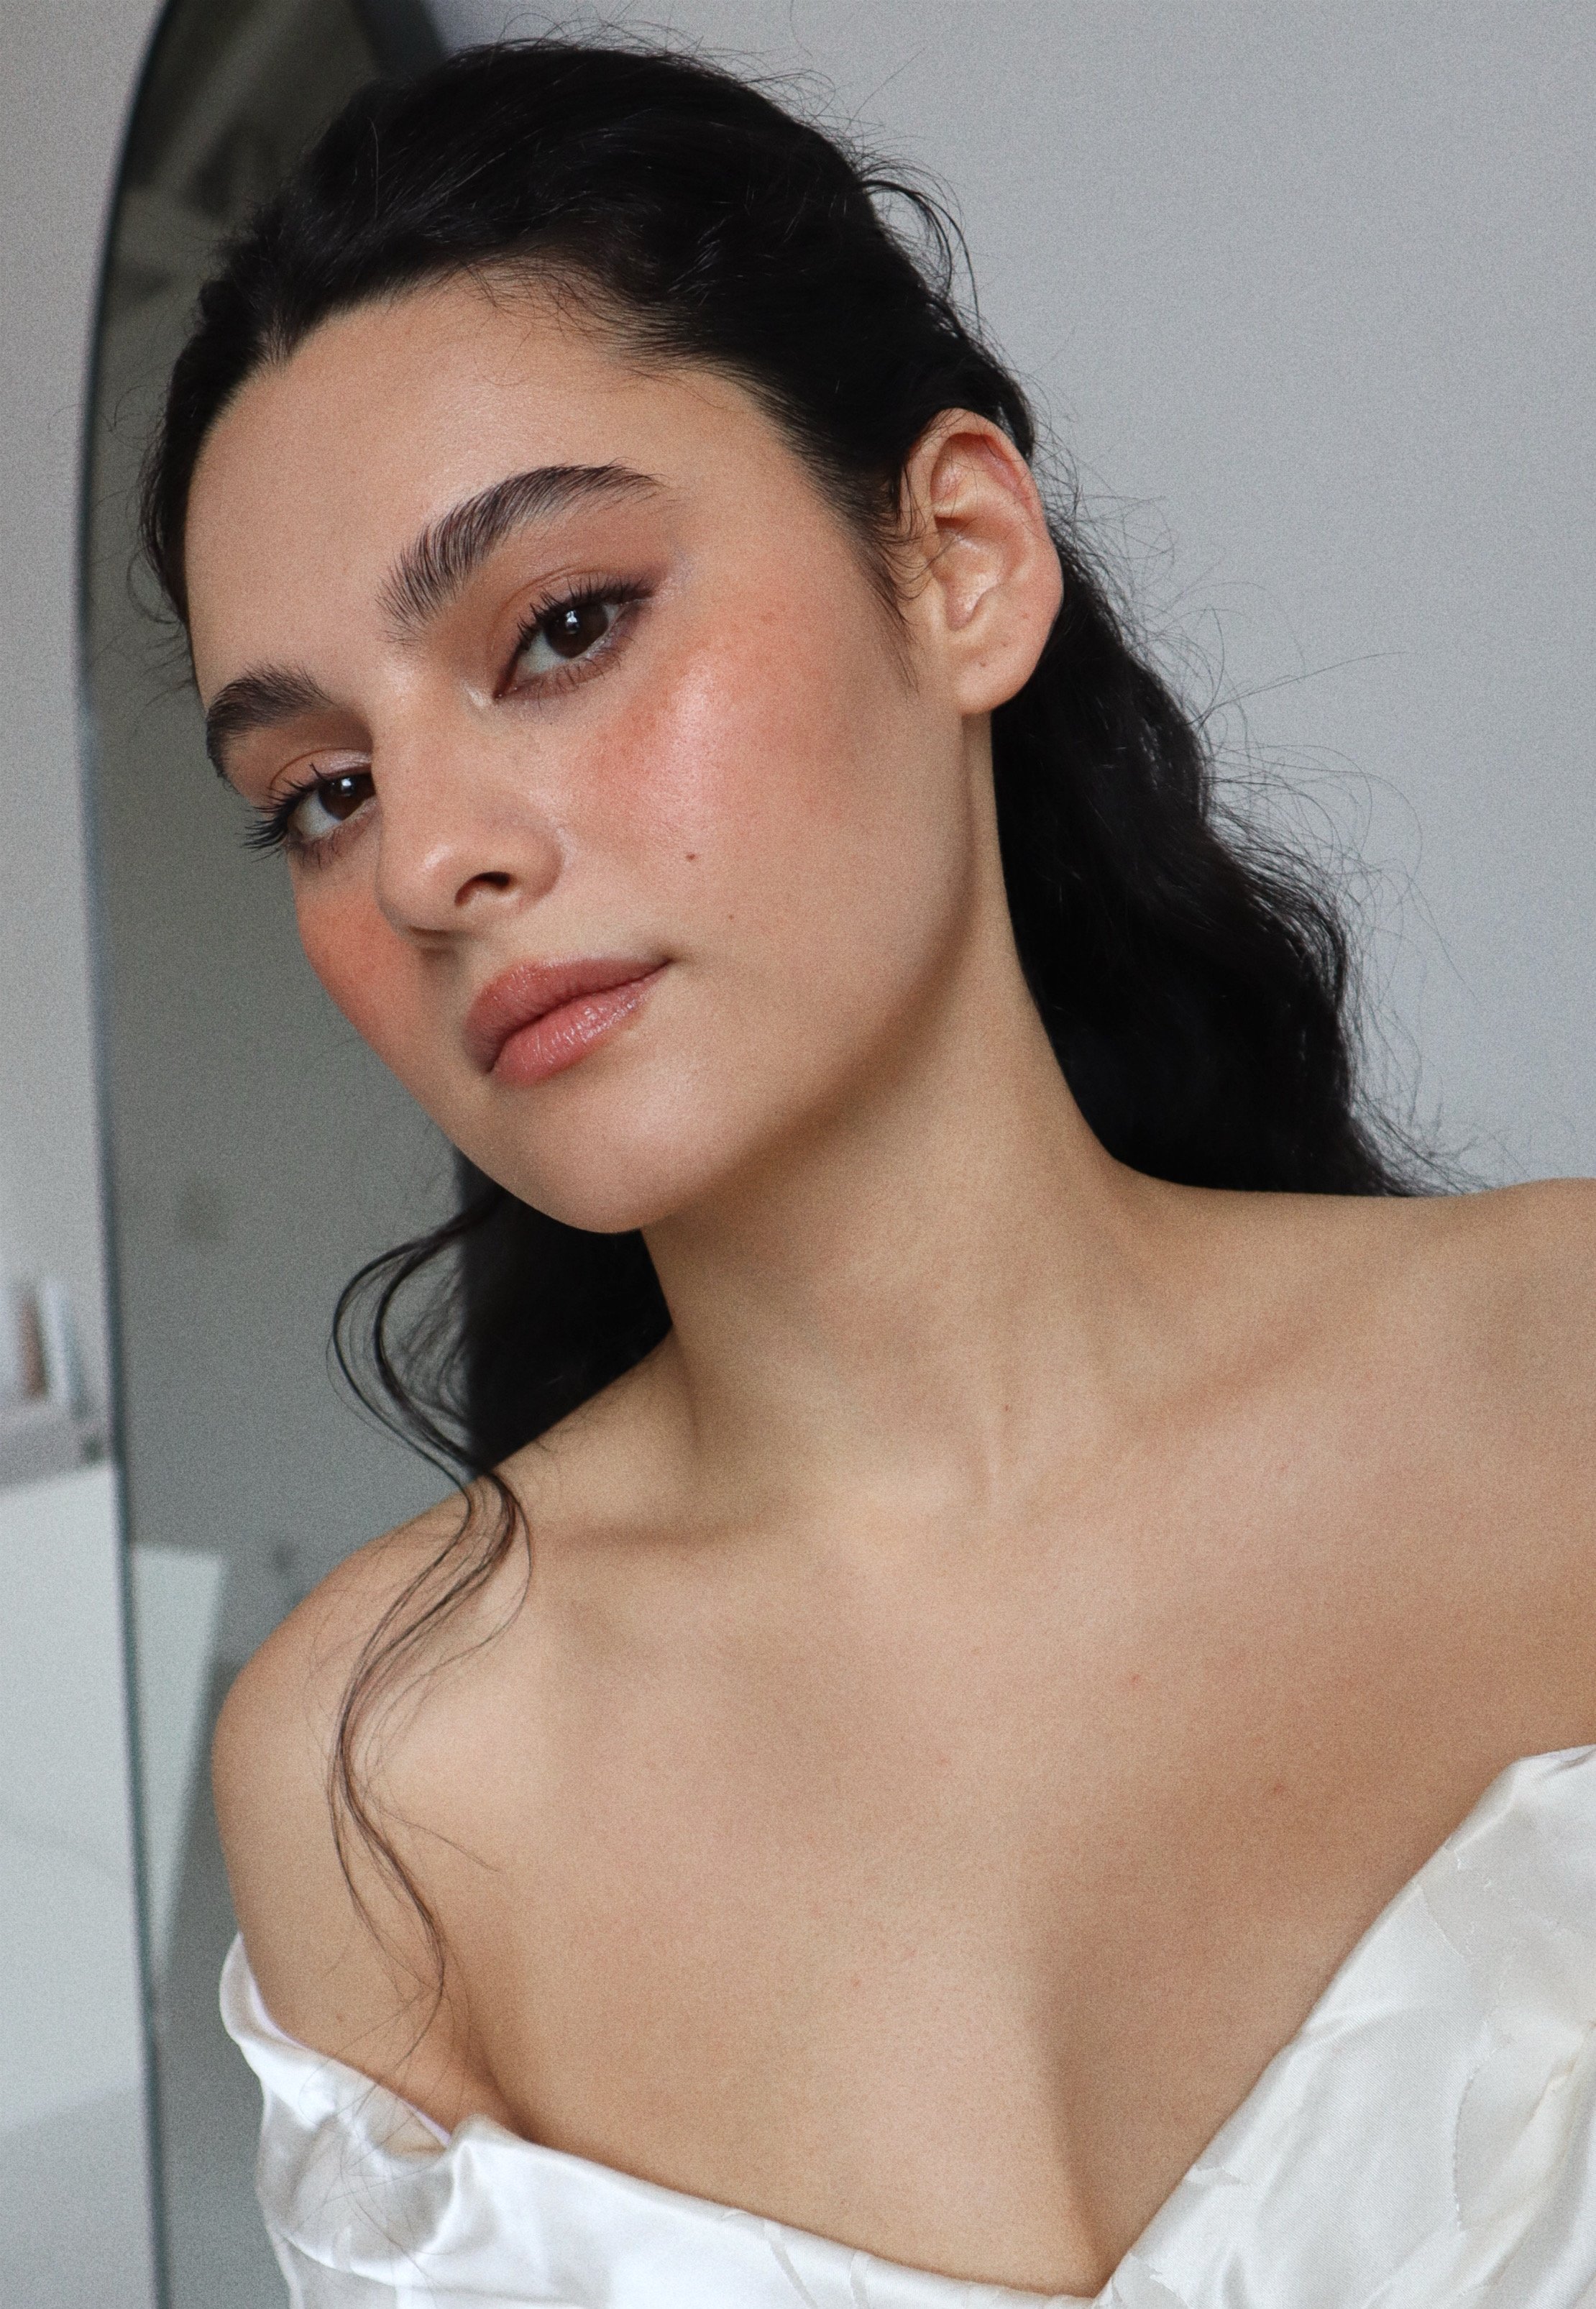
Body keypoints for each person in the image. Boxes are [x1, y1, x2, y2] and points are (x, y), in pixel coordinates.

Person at [143, 37, 1596, 2308]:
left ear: (956, 565)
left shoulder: (1564, 1387)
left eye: (559, 626)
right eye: (319, 789)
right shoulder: (388, 1771)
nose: (429, 857)